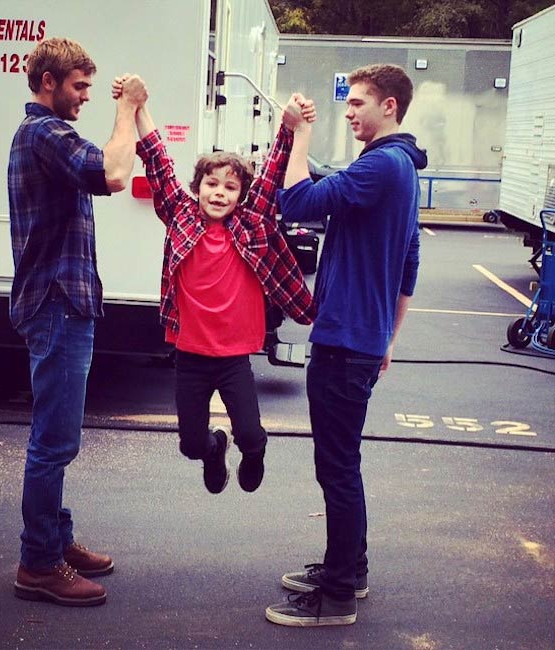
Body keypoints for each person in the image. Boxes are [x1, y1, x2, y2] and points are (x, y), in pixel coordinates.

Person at [265, 64, 428, 626]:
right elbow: (410, 262)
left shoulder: (382, 164)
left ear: (390, 106)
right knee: (343, 465)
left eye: (359, 102)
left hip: (342, 343)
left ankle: (335, 598)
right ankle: (348, 571)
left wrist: (299, 133)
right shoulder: (398, 166)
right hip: (361, 339)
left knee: (336, 469)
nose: (350, 110)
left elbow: (298, 202)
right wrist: (387, 337)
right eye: (349, 102)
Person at [113, 77, 317, 495]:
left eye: (230, 187)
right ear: (197, 187)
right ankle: (213, 449)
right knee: (190, 444)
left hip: (234, 357)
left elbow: (275, 170)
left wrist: (290, 124)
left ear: (241, 195)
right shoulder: (181, 216)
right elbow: (159, 163)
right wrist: (138, 108)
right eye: (211, 184)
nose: (219, 194)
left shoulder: (251, 223)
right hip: (189, 354)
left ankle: (252, 451)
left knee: (251, 433)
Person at [8, 37, 147, 607]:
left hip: (66, 301)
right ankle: (38, 563)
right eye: (79, 86)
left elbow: (107, 168)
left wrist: (125, 113)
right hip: (57, 303)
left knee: (57, 436)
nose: (86, 96)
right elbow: (114, 172)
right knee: (54, 440)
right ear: (48, 82)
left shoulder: (49, 134)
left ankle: (56, 542)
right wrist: (126, 108)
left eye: (91, 87)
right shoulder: (45, 133)